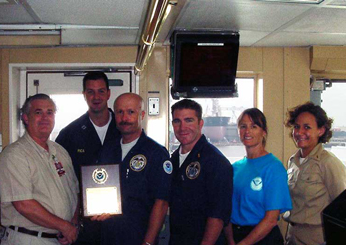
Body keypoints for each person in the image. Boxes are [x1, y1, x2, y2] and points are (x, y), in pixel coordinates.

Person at [0, 93, 79, 245]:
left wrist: (72, 225)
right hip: (28, 239)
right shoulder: (14, 155)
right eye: (38, 112)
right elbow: (24, 204)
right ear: (26, 118)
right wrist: (64, 226)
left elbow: (73, 193)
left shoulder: (60, 151)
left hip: (59, 238)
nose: (45, 118)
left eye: (50, 112)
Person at [94, 93, 172, 245]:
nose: (124, 118)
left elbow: (161, 203)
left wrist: (148, 243)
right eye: (120, 112)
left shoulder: (156, 153)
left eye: (131, 112)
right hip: (107, 235)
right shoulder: (107, 150)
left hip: (139, 235)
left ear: (141, 115)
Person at [55, 71, 120, 245]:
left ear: (108, 93)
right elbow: (62, 180)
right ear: (84, 95)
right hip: (84, 225)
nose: (96, 96)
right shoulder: (69, 134)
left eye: (101, 91)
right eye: (90, 91)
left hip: (122, 222)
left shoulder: (125, 129)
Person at [169, 99, 233, 245]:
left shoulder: (215, 162)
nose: (182, 127)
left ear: (200, 123)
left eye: (189, 120)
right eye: (177, 121)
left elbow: (217, 215)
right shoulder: (173, 160)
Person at [224, 108, 292, 245]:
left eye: (254, 126)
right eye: (243, 126)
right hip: (236, 236)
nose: (247, 131)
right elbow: (227, 211)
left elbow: (271, 219)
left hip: (263, 238)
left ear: (264, 132)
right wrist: (231, 240)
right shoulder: (235, 168)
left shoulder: (274, 168)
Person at [283, 102, 346, 245]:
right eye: (296, 127)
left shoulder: (328, 163)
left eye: (307, 127)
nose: (299, 133)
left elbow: (342, 209)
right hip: (292, 237)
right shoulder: (293, 161)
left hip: (317, 240)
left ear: (321, 131)